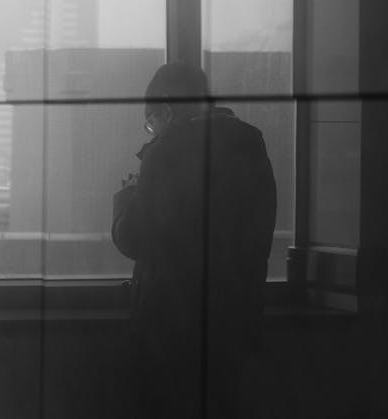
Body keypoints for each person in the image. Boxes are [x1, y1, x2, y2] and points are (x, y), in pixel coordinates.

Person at [112, 62, 277, 418]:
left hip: (168, 325)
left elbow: (134, 238)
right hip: (231, 317)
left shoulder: (166, 153)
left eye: (151, 121)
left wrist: (126, 198)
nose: (152, 131)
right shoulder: (250, 144)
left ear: (168, 110)